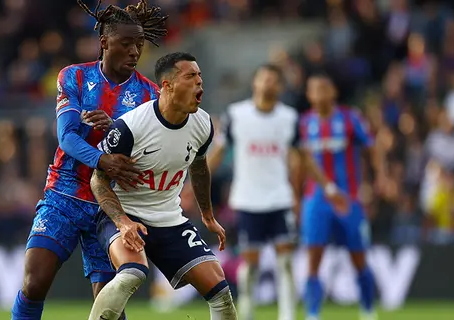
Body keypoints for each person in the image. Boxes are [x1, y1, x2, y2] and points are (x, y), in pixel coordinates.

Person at [11, 1, 168, 319]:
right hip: (65, 196)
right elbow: (67, 138)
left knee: (110, 302)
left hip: (111, 205)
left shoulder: (150, 96)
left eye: (139, 44)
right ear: (105, 42)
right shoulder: (74, 77)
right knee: (34, 282)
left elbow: (149, 152)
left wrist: (113, 128)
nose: (135, 52)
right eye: (126, 44)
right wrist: (102, 158)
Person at [88, 52, 238, 320]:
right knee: (131, 275)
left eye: (200, 76)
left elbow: (199, 166)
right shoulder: (131, 127)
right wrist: (123, 222)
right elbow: (97, 180)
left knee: (221, 293)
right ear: (167, 85)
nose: (199, 83)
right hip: (126, 214)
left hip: (170, 219)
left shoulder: (203, 123)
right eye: (190, 77)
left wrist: (207, 215)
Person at [207, 64, 298, 320]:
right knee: (251, 264)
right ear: (255, 83)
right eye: (264, 79)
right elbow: (220, 151)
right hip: (248, 199)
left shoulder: (289, 117)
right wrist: (197, 180)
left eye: (273, 80)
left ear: (280, 86)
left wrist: (298, 193)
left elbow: (298, 158)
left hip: (280, 197)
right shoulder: (237, 114)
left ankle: (287, 315)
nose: (268, 84)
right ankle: (247, 311)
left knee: (286, 262)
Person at [297, 74, 388, 320]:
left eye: (325, 87)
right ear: (309, 95)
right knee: (313, 259)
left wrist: (380, 177)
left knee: (359, 257)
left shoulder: (350, 118)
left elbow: (372, 148)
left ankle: (368, 310)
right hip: (315, 200)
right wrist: (295, 198)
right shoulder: (303, 124)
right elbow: (298, 164)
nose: (320, 92)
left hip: (349, 199)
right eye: (315, 88)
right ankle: (313, 313)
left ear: (333, 92)